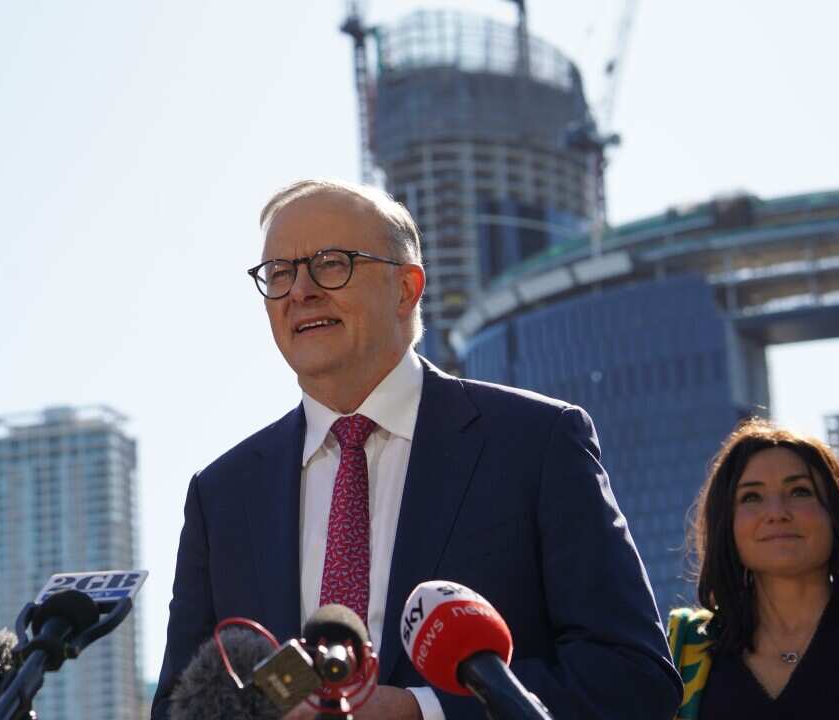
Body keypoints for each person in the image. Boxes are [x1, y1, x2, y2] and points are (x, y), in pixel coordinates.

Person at [152, 179, 681, 720]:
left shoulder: (536, 442)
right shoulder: (222, 494)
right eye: (280, 274)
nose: (300, 291)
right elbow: (174, 708)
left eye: (331, 263)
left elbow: (633, 680)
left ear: (406, 288)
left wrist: (421, 710)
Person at [668, 419, 839, 718]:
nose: (777, 513)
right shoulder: (687, 649)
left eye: (800, 491)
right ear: (727, 524)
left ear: (836, 514)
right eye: (751, 497)